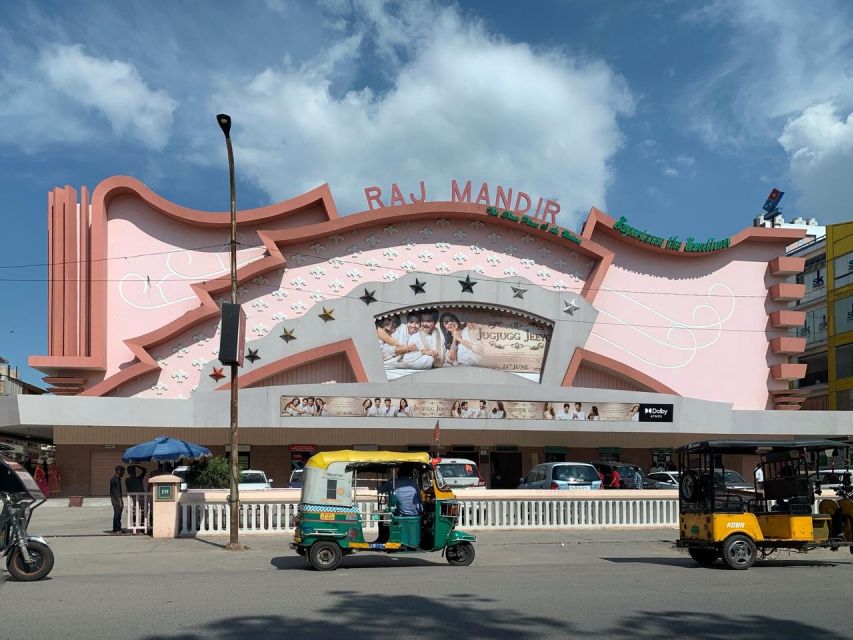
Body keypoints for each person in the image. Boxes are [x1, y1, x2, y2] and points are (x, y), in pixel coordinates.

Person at [110, 465, 126, 534]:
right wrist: (120, 501)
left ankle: (116, 528)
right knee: (117, 514)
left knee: (116, 514)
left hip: (114, 499)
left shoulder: (113, 478)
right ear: (119, 471)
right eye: (123, 471)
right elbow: (117, 491)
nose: (123, 473)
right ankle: (117, 529)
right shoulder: (116, 480)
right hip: (116, 499)